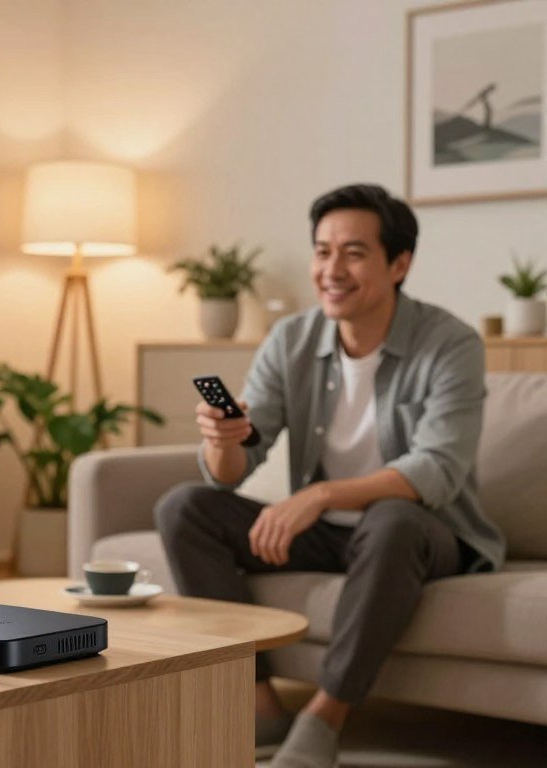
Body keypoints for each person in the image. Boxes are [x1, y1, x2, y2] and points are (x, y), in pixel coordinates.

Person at [154, 184, 504, 768]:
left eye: (354, 253)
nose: (331, 270)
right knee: (184, 508)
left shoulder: (450, 344)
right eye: (321, 252)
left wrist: (319, 495)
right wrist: (223, 440)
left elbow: (436, 470)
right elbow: (232, 474)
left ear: (399, 264)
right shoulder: (291, 339)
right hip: (327, 536)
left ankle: (324, 718)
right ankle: (261, 706)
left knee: (393, 518)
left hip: (421, 534)